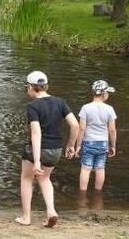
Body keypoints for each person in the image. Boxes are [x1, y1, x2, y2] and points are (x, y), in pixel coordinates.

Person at [15, 71, 80, 228]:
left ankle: (26, 217)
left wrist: (36, 160)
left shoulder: (32, 106)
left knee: (26, 179)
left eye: (27, 87)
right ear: (45, 86)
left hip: (37, 150)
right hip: (55, 149)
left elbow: (36, 133)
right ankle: (51, 211)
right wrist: (71, 145)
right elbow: (75, 125)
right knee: (45, 178)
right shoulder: (60, 102)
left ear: (31, 87)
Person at [72, 79, 117, 192]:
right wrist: (113, 146)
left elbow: (82, 128)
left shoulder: (86, 108)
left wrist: (78, 145)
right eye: (107, 92)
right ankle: (98, 194)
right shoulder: (109, 109)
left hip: (88, 142)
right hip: (103, 143)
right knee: (100, 168)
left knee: (86, 169)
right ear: (103, 94)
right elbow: (112, 130)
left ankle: (82, 194)